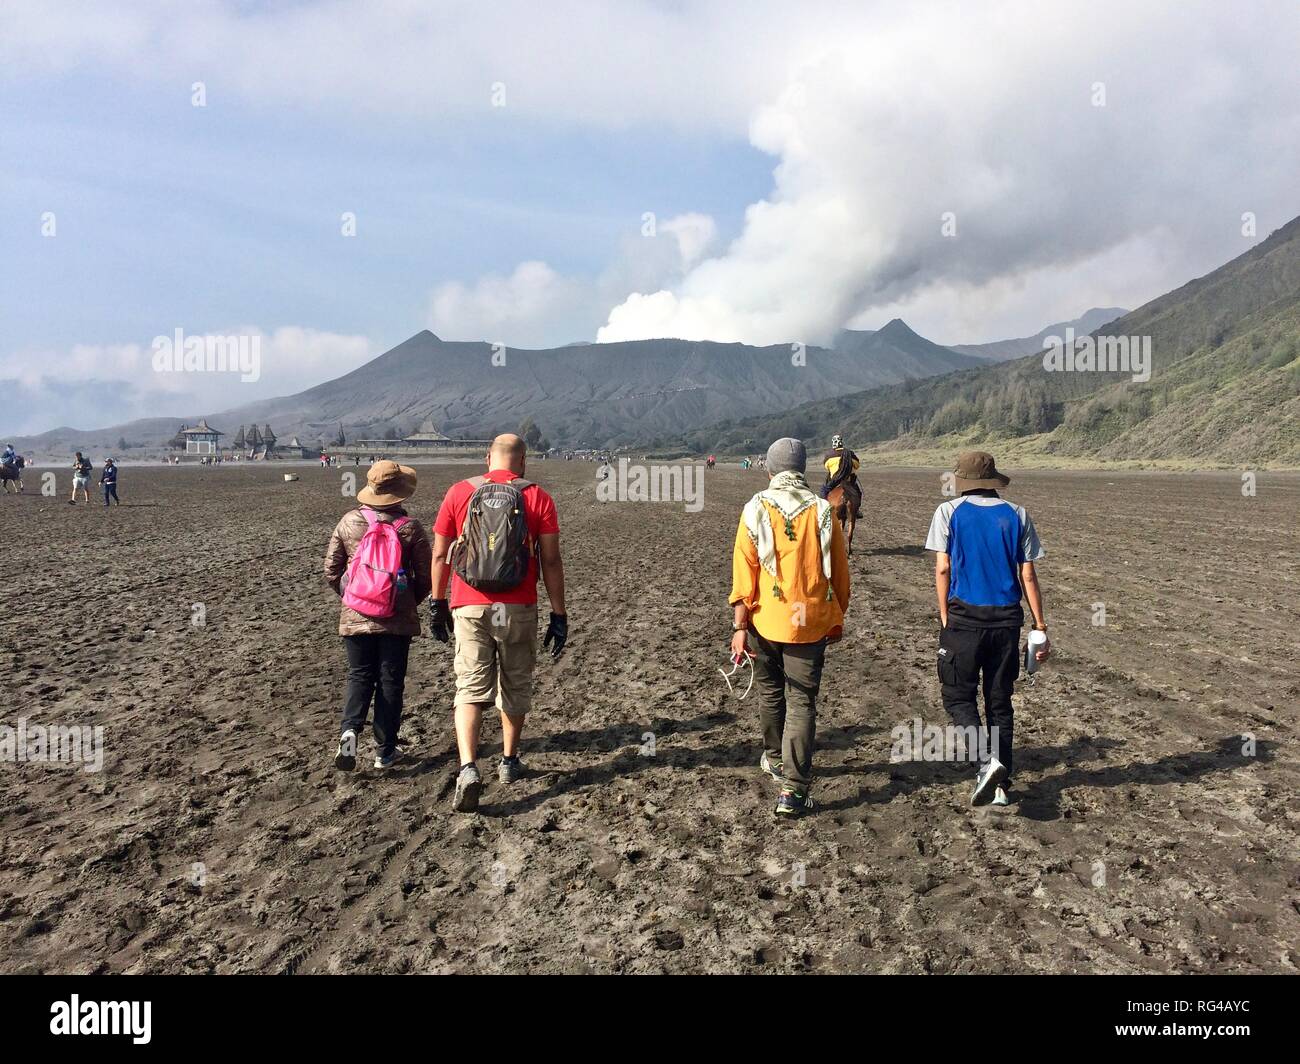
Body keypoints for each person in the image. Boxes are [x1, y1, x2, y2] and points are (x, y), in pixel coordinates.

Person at [429, 433, 567, 813]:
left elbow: (441, 554)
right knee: (515, 682)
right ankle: (508, 761)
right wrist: (559, 613)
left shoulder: (459, 492)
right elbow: (551, 560)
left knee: (470, 686)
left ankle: (469, 767)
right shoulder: (538, 497)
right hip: (518, 605)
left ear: (487, 457)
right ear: (523, 462)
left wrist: (437, 603)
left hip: (469, 605)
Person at [729, 437, 850, 818]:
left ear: (768, 468)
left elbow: (744, 569)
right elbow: (840, 575)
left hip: (765, 621)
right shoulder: (822, 510)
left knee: (769, 693)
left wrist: (739, 625)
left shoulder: (754, 507)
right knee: (802, 701)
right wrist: (835, 615)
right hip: (809, 624)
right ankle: (793, 792)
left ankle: (774, 759)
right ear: (803, 469)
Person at [925, 451, 1050, 807]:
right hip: (1007, 621)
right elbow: (1027, 574)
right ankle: (1000, 785)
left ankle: (985, 762)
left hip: (964, 620)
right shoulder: (1017, 514)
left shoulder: (948, 513)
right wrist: (1040, 625)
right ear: (994, 480)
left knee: (958, 696)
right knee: (999, 701)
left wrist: (945, 617)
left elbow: (943, 569)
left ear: (962, 482)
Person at [323, 461, 432, 770]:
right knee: (390, 682)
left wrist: (353, 599)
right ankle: (385, 752)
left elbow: (331, 570)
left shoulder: (349, 521)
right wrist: (404, 602)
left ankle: (349, 732)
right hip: (396, 620)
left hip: (355, 616)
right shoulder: (411, 527)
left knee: (359, 675)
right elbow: (425, 578)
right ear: (400, 493)